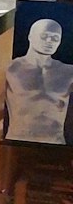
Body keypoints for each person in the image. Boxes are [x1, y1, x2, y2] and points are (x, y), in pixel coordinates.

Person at [7, 16, 73, 144]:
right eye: (44, 36)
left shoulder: (68, 71)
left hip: (55, 144)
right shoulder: (10, 68)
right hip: (18, 142)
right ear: (31, 36)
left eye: (55, 38)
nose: (49, 41)